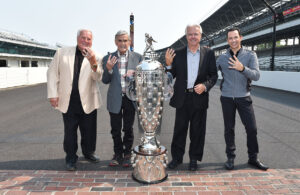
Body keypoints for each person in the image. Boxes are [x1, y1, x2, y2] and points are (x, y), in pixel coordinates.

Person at [47, 29, 103, 171]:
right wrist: (52, 94)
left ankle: (89, 152)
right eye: (83, 38)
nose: (85, 41)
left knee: (89, 131)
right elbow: (52, 73)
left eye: (89, 39)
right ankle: (71, 158)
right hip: (69, 101)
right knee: (70, 132)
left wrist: (92, 61)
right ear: (77, 38)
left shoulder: (97, 56)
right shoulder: (62, 53)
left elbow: (98, 77)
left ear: (92, 41)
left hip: (88, 100)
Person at [165, 24, 218, 171]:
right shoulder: (178, 53)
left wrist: (205, 86)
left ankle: (194, 159)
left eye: (195, 34)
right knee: (179, 130)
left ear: (200, 35)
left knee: (197, 131)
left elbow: (213, 76)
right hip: (182, 97)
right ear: (186, 36)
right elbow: (171, 75)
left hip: (199, 97)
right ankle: (176, 158)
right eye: (190, 34)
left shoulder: (209, 53)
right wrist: (168, 65)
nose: (193, 37)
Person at [216, 27, 269, 171]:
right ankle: (230, 158)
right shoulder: (222, 57)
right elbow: (210, 72)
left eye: (235, 37)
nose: (233, 40)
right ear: (227, 40)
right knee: (229, 129)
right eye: (230, 38)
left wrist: (242, 68)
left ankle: (253, 158)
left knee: (252, 128)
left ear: (241, 37)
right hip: (226, 97)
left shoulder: (250, 55)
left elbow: (256, 75)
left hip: (244, 97)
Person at [102, 30, 143, 167]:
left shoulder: (138, 58)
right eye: (120, 40)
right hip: (115, 98)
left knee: (128, 128)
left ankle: (127, 153)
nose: (123, 43)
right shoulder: (107, 58)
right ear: (115, 42)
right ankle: (117, 154)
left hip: (130, 98)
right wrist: (108, 69)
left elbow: (143, 80)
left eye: (125, 40)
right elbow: (105, 81)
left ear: (129, 42)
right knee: (115, 128)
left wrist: (135, 74)